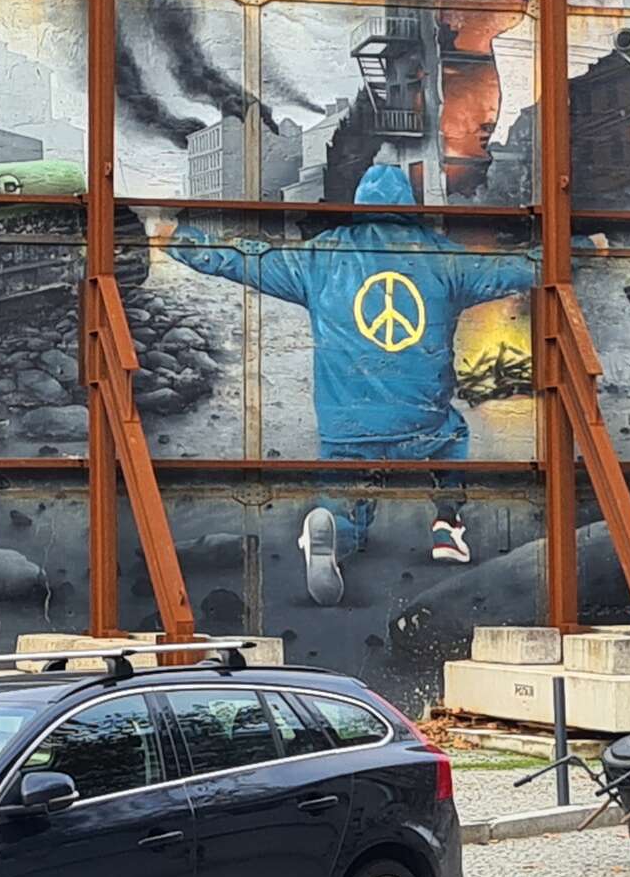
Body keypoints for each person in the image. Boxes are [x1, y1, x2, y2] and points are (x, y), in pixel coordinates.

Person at [166, 162, 536, 605]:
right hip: (422, 420)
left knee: (347, 486)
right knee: (452, 435)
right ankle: (446, 525)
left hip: (347, 424)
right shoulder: (443, 257)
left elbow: (246, 259)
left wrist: (179, 240)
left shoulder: (320, 256)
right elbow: (514, 269)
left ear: (359, 205)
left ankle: (335, 530)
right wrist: (583, 246)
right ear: (409, 206)